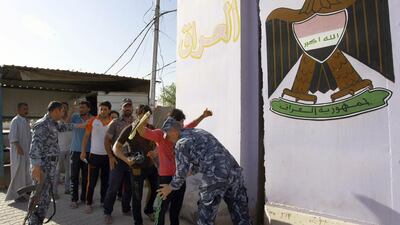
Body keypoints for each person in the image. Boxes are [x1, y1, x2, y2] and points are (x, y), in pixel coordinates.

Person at [157, 118, 252, 225]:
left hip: (214, 176)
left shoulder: (181, 143)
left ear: (173, 131)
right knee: (241, 213)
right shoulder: (198, 132)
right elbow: (204, 155)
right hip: (234, 172)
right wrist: (192, 171)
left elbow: (180, 173)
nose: (168, 140)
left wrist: (169, 188)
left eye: (167, 136)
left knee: (205, 217)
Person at [136, 108, 213, 225]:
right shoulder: (160, 134)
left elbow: (192, 124)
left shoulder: (181, 132)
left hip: (180, 178)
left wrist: (203, 116)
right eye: (180, 122)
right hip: (165, 179)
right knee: (161, 209)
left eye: (182, 122)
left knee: (175, 209)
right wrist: (144, 117)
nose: (182, 125)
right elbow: (141, 131)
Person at [28, 101, 82, 224]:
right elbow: (35, 147)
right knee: (38, 197)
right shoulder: (42, 125)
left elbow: (64, 127)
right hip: (42, 168)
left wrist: (81, 126)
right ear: (56, 110)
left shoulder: (53, 123)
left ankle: (38, 221)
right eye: (62, 111)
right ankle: (32, 221)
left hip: (50, 167)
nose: (63, 114)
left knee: (46, 198)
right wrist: (35, 167)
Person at [113, 105, 158, 225]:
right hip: (136, 168)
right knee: (137, 196)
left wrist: (155, 152)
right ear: (137, 115)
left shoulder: (151, 128)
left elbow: (159, 144)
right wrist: (126, 159)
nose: (144, 118)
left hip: (150, 166)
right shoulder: (129, 129)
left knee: (156, 189)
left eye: (147, 115)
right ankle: (138, 221)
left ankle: (148, 209)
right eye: (141, 114)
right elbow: (115, 148)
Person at [103, 98, 135, 224]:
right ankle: (107, 212)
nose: (128, 108)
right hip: (118, 160)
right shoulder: (115, 123)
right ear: (122, 108)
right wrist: (111, 157)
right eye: (125, 106)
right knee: (113, 187)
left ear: (132, 108)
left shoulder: (137, 122)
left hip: (131, 160)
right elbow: (107, 141)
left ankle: (126, 209)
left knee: (129, 188)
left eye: (129, 106)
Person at [81, 101, 112, 214]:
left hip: (107, 157)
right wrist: (83, 151)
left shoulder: (112, 122)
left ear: (109, 110)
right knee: (92, 181)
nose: (102, 111)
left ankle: (103, 201)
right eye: (101, 109)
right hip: (94, 156)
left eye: (105, 109)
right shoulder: (93, 121)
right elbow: (86, 137)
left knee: (105, 181)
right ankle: (88, 203)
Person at [5, 103, 32, 202]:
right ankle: (17, 195)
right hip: (18, 153)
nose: (26, 110)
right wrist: (18, 147)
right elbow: (13, 137)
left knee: (27, 172)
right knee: (18, 173)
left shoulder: (25, 121)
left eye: (27, 108)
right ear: (19, 110)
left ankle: (27, 192)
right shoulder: (15, 121)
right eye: (24, 109)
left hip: (27, 152)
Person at [69, 100, 93, 208]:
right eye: (80, 107)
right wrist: (71, 110)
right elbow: (66, 123)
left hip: (88, 152)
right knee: (74, 176)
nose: (81, 109)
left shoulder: (93, 119)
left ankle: (84, 198)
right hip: (75, 151)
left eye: (83, 107)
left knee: (86, 177)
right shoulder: (74, 117)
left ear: (88, 109)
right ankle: (74, 199)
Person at [54, 102, 72, 198]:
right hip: (59, 149)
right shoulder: (57, 121)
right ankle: (54, 191)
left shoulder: (70, 119)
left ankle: (67, 189)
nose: (64, 109)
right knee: (57, 171)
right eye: (62, 108)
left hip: (69, 149)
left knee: (68, 170)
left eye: (66, 107)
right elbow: (65, 124)